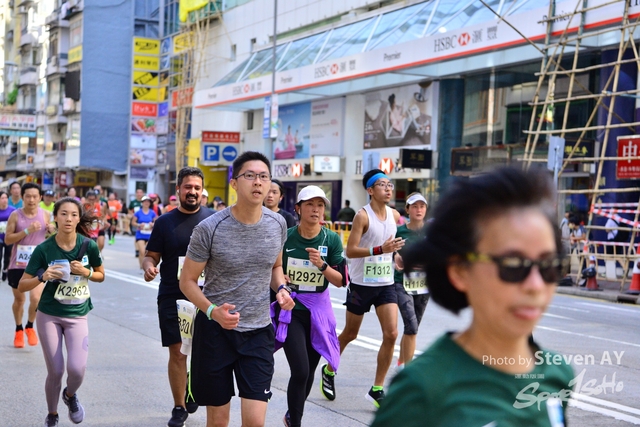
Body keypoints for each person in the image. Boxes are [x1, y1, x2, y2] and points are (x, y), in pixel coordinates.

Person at [371, 167, 574, 427]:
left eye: (549, 265)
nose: (535, 286)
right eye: (512, 264)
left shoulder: (557, 374)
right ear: (460, 271)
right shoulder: (421, 389)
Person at [179, 151, 295, 427]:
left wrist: (281, 288)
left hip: (258, 332)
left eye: (263, 176)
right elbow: (187, 281)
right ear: (234, 183)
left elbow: (276, 266)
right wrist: (212, 311)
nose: (258, 182)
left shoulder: (277, 223)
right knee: (218, 421)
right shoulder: (210, 228)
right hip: (216, 333)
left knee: (255, 422)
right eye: (250, 176)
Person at [321, 169, 404, 408]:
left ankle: (377, 389)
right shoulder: (362, 216)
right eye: (382, 185)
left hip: (386, 284)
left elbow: (391, 246)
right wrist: (380, 250)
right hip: (361, 285)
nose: (388, 189)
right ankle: (329, 369)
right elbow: (350, 250)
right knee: (350, 333)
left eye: (389, 184)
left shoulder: (395, 215)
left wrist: (396, 256)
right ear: (370, 190)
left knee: (391, 334)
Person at [19, 197, 104, 427]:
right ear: (55, 217)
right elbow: (22, 285)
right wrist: (43, 276)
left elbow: (101, 275)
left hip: (78, 315)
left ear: (78, 219)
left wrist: (86, 272)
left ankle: (69, 395)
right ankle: (52, 414)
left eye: (74, 214)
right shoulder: (44, 249)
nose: (68, 219)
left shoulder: (88, 246)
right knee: (56, 370)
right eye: (63, 214)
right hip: (49, 315)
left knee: (77, 369)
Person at [142, 167, 213, 427]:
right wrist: (149, 267)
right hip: (173, 295)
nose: (192, 192)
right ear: (178, 190)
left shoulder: (214, 220)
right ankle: (179, 406)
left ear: (202, 191)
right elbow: (151, 255)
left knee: (204, 352)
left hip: (208, 297)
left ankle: (191, 384)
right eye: (188, 187)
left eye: (197, 188)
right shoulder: (165, 222)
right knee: (178, 351)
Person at [275, 185, 344, 427]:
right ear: (298, 208)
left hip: (318, 312)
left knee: (310, 371)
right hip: (292, 310)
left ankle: (291, 416)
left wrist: (322, 266)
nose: (316, 209)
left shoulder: (331, 239)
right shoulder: (286, 237)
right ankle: (296, 423)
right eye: (310, 204)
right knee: (300, 370)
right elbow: (273, 270)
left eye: (320, 205)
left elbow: (341, 280)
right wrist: (282, 280)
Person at [4, 183, 56, 348]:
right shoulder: (15, 215)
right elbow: (7, 239)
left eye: (35, 196)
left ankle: (29, 326)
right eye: (28, 196)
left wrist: (52, 230)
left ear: (40, 198)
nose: (31, 200)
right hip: (18, 264)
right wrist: (27, 231)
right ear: (22, 197)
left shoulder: (45, 214)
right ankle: (19, 329)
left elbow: (53, 237)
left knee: (36, 298)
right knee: (20, 300)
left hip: (38, 264)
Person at [393, 193, 429, 368]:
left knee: (412, 329)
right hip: (402, 283)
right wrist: (396, 256)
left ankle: (401, 363)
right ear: (407, 209)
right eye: (414, 206)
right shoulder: (399, 231)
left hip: (424, 285)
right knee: (412, 327)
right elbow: (389, 251)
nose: (418, 210)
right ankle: (408, 372)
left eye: (422, 206)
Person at [132, 196, 156, 270]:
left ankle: (145, 265)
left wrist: (152, 224)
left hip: (149, 234)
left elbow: (157, 222)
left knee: (147, 252)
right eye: (145, 202)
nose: (146, 203)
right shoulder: (138, 212)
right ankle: (141, 266)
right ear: (142, 203)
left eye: (148, 202)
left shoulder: (152, 212)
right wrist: (139, 225)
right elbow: (133, 222)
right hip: (140, 234)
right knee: (142, 251)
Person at [0, 191, 16, 282]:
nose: (4, 200)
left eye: (6, 198)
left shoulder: (12, 210)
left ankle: (5, 270)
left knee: (7, 256)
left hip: (9, 236)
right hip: (0, 237)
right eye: (2, 198)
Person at [128, 188, 145, 256]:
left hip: (144, 221)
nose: (139, 194)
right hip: (135, 221)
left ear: (143, 193)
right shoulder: (133, 202)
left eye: (140, 192)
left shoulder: (145, 202)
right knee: (136, 235)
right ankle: (137, 249)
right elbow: (129, 210)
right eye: (138, 192)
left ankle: (141, 248)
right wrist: (132, 215)